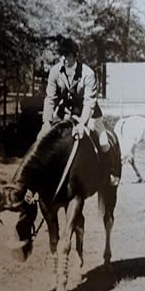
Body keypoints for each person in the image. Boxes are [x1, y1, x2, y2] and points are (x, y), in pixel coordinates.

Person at [37, 37, 118, 186]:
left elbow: (89, 102)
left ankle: (110, 172)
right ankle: (36, 182)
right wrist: (47, 121)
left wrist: (82, 123)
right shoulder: (55, 71)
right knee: (41, 137)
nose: (63, 58)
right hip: (65, 111)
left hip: (89, 113)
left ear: (75, 56)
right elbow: (50, 98)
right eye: (61, 55)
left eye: (67, 55)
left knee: (104, 142)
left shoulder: (88, 73)